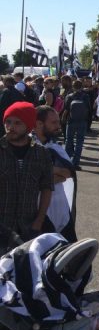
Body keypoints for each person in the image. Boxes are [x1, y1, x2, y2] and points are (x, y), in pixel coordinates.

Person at [0, 102, 54, 240]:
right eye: (8, 122)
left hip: (29, 227)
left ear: (29, 125)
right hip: (2, 227)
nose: (11, 127)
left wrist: (39, 221)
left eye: (17, 123)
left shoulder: (42, 153)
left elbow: (47, 188)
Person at [33, 105, 78, 242]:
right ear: (39, 124)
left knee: (67, 250)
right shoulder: (27, 146)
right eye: (53, 122)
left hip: (60, 210)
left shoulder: (54, 147)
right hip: (36, 211)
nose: (58, 126)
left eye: (58, 122)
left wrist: (47, 170)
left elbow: (68, 173)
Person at [62, 80, 91, 169]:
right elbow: (89, 108)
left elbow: (66, 109)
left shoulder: (69, 96)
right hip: (82, 121)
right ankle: (75, 163)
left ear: (73, 87)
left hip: (71, 121)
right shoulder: (85, 96)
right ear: (81, 87)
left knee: (68, 140)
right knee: (79, 142)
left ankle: (67, 162)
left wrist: (63, 118)